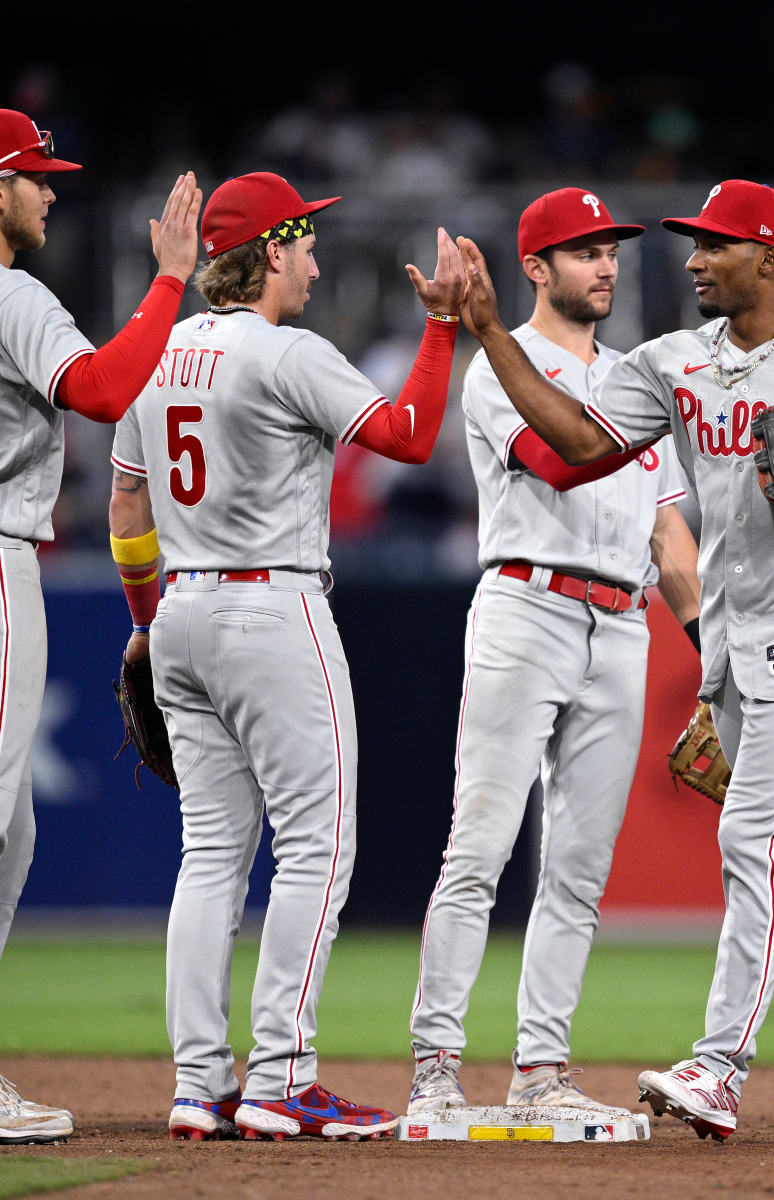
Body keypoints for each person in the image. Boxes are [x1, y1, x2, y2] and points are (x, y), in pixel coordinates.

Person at [454, 179, 774, 1140]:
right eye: (695, 244)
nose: (691, 259)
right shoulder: (673, 365)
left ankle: (722, 1067)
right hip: (732, 647)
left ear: (770, 257)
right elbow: (572, 448)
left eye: (713, 245)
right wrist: (489, 333)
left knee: (751, 838)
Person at [106, 172, 468, 1141]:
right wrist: (440, 328)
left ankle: (198, 1082)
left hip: (180, 609)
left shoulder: (156, 353)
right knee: (317, 842)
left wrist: (144, 621)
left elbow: (127, 511)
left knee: (210, 854)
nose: (313, 260)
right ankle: (282, 1074)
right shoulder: (285, 352)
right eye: (303, 243)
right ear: (268, 250)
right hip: (273, 605)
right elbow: (409, 433)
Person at [408, 188, 700, 1115]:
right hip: (527, 608)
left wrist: (712, 655)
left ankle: (541, 1073)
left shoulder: (637, 377)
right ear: (536, 268)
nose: (607, 265)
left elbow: (670, 534)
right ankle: (435, 1069)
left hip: (622, 625)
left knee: (578, 870)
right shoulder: (501, 366)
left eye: (611, 249)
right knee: (480, 849)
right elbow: (563, 460)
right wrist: (485, 331)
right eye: (584, 252)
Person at [0, 109, 201, 1144]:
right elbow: (105, 388)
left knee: (17, 828)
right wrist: (170, 278)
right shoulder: (10, 291)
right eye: (31, 178)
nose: (49, 193)